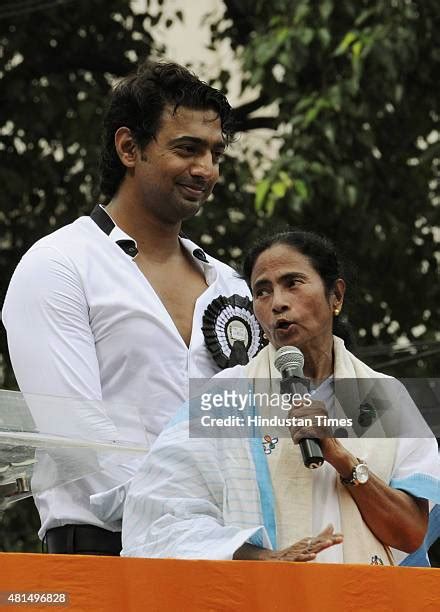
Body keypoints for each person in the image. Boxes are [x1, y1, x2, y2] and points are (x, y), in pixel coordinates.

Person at [2, 61, 257, 555]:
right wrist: (189, 530)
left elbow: (253, 436)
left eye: (215, 153)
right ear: (128, 148)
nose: (206, 169)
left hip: (231, 554)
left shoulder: (231, 285)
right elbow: (80, 440)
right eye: (187, 149)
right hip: (106, 549)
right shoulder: (59, 264)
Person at [121, 229, 440, 564]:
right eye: (262, 291)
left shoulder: (383, 396)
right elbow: (161, 519)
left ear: (336, 296)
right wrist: (264, 559)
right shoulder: (226, 395)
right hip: (264, 596)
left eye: (293, 283)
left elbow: (410, 532)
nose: (278, 303)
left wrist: (339, 456)